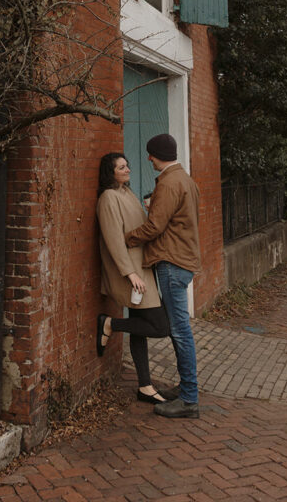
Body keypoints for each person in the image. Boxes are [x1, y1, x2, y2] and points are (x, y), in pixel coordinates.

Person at [125, 133, 201, 419]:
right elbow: (176, 220)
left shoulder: (169, 183)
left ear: (157, 155)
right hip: (182, 259)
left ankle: (190, 399)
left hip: (171, 262)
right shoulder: (185, 179)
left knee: (180, 331)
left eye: (150, 154)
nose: (148, 159)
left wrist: (126, 238)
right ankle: (186, 390)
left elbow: (154, 227)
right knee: (180, 329)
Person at [95, 152, 173, 403]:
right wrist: (129, 273)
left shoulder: (126, 193)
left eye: (127, 165)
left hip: (143, 268)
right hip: (132, 271)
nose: (127, 170)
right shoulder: (108, 198)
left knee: (141, 329)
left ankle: (145, 386)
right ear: (111, 172)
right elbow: (113, 239)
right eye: (121, 167)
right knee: (160, 326)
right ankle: (109, 324)